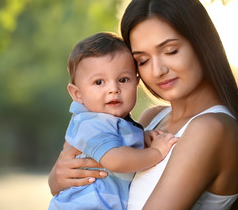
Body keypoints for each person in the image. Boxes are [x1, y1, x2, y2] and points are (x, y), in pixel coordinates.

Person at [49, 0, 238, 210]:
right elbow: (90, 178)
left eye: (170, 51)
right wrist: (56, 179)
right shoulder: (151, 119)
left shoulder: (211, 128)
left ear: (201, 43)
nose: (157, 71)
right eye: (143, 60)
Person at [48, 32, 177, 210]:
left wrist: (141, 137)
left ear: (136, 83)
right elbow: (116, 160)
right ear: (78, 94)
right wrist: (155, 152)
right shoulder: (90, 123)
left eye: (123, 80)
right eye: (99, 82)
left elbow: (117, 143)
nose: (113, 89)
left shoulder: (115, 122)